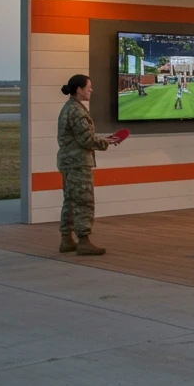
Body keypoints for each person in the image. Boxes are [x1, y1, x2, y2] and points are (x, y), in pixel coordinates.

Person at [57, 74, 123, 256]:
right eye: (88, 87)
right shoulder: (77, 111)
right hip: (78, 163)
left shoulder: (69, 107)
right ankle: (84, 240)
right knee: (84, 201)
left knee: (70, 200)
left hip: (68, 162)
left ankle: (66, 239)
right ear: (79, 89)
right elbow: (86, 139)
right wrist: (107, 142)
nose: (91, 90)